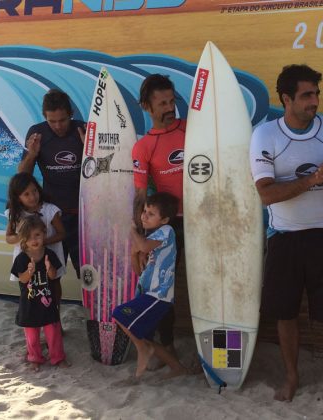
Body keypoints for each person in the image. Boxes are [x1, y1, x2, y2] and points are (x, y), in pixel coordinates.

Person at [249, 64, 323, 402]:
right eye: (306, 95)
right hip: (284, 236)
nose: (314, 101)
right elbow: (266, 194)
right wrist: (314, 179)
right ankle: (291, 376)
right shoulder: (265, 135)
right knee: (285, 312)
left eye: (316, 94)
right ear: (286, 99)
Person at [131, 74, 186, 365]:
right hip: (170, 226)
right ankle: (169, 347)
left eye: (171, 100)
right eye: (161, 103)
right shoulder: (143, 147)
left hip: (204, 220)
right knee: (161, 289)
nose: (169, 107)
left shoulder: (192, 130)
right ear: (147, 107)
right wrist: (138, 238)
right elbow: (141, 196)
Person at [112, 192, 188, 378]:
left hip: (158, 295)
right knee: (144, 337)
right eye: (144, 211)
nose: (144, 215)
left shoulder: (166, 231)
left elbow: (144, 247)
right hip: (147, 294)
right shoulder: (151, 236)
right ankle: (177, 368)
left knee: (119, 314)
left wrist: (131, 231)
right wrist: (134, 254)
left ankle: (142, 350)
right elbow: (139, 271)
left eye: (150, 213)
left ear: (164, 219)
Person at [18, 89, 85, 279]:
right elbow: (22, 178)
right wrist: (32, 155)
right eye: (52, 121)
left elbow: (102, 175)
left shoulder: (84, 130)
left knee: (89, 273)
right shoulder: (37, 133)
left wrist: (92, 150)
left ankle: (93, 309)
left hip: (84, 216)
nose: (58, 126)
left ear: (71, 114)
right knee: (49, 275)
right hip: (53, 217)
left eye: (62, 120)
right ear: (44, 117)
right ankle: (50, 309)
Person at [11, 215, 69, 371]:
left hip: (47, 303)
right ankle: (35, 358)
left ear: (44, 233)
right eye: (29, 237)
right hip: (29, 305)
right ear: (23, 240)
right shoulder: (21, 258)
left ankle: (57, 357)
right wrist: (29, 272)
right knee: (32, 336)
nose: (34, 239)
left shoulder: (49, 254)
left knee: (53, 332)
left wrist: (49, 267)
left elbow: (53, 276)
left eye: (37, 234)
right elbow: (22, 280)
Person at [6, 172, 66, 309]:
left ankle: (55, 318)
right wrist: (23, 238)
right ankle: (32, 319)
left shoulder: (50, 210)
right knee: (27, 287)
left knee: (54, 283)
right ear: (17, 197)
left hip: (49, 255)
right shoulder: (15, 213)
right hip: (25, 258)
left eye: (34, 191)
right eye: (26, 194)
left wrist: (43, 243)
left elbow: (62, 234)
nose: (32, 196)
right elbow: (8, 237)